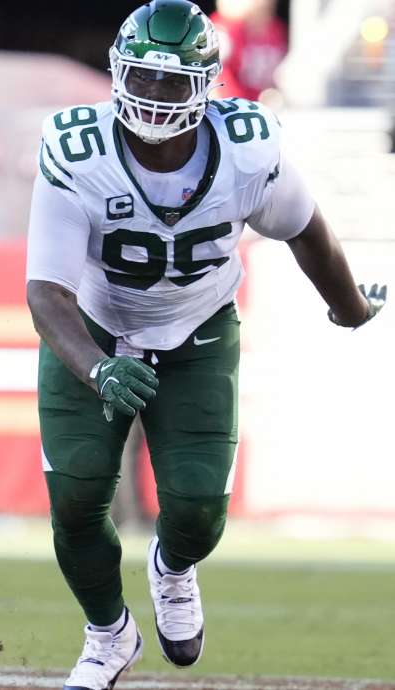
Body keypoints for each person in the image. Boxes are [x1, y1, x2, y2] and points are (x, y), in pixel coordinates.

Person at [24, 3, 386, 689]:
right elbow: (47, 292)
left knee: (197, 512)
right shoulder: (79, 150)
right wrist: (99, 368)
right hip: (94, 326)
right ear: (116, 71)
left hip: (198, 328)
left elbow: (306, 228)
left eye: (171, 82)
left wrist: (350, 305)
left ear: (207, 84)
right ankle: (108, 634)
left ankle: (172, 567)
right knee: (75, 499)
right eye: (142, 76)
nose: (154, 96)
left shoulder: (247, 149)